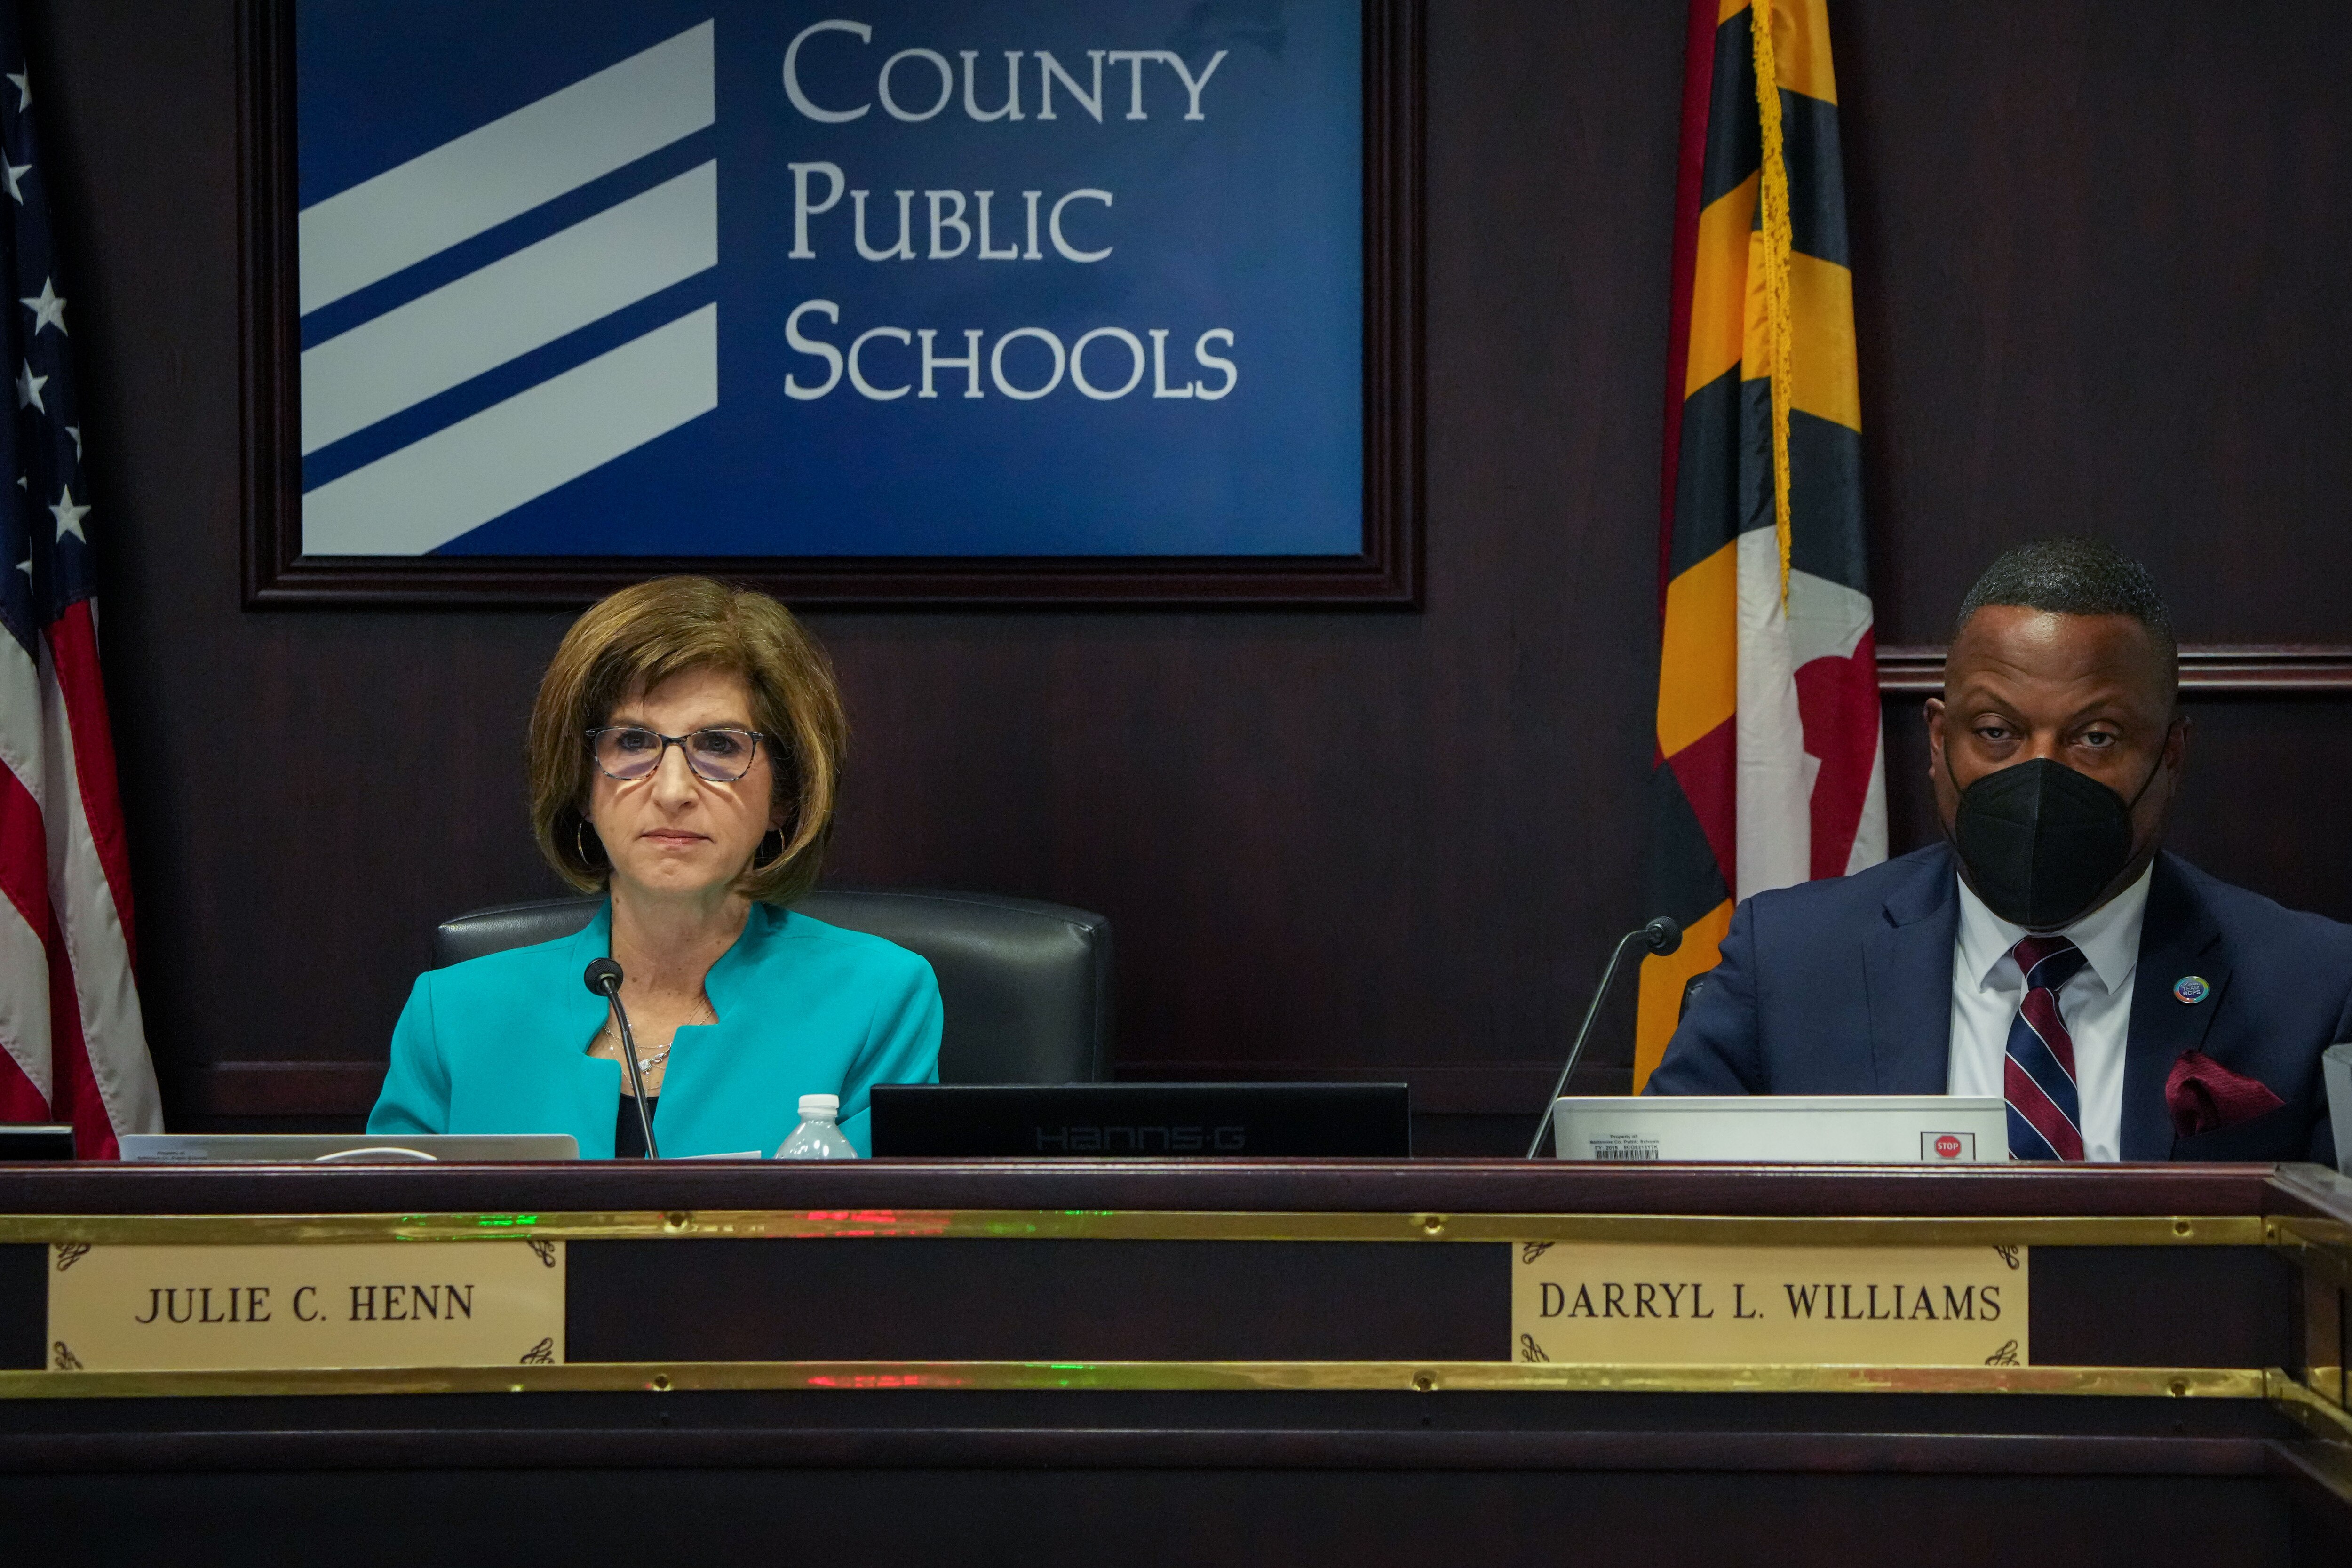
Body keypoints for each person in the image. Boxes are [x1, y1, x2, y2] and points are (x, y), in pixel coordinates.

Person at [1649, 539, 2352, 1162]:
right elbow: (1640, 1218)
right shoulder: (1789, 961)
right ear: (1937, 741)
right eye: (1996, 731)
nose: (2039, 774)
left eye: (2096, 737)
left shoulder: (2311, 987)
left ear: (2171, 757)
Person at [368, 577, 941, 1157]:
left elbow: (874, 1242)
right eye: (633, 741)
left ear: (784, 797)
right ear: (581, 786)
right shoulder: (455, 1016)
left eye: (719, 746)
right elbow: (382, 1241)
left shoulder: (874, 999)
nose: (672, 790)